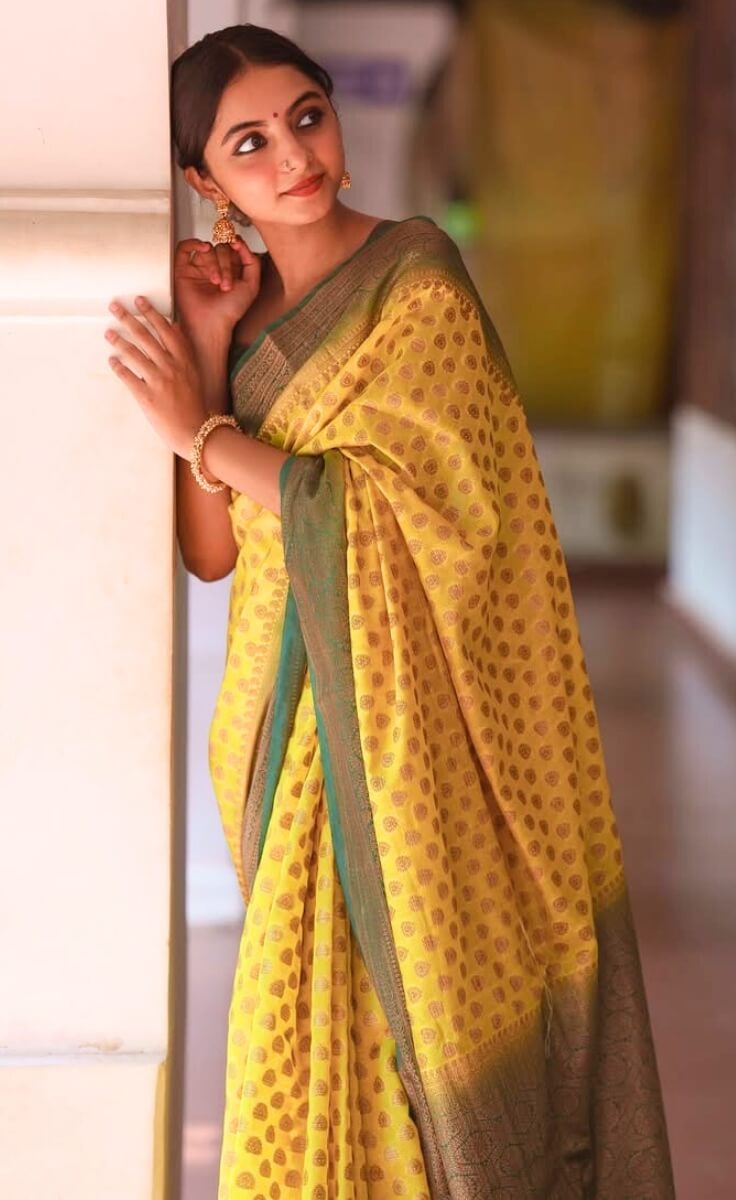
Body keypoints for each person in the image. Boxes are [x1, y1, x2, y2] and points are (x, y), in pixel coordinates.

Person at [104, 23, 675, 1200]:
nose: (294, 158)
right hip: (287, 739)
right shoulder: (248, 322)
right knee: (293, 1025)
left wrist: (198, 434)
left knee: (427, 1012)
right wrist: (208, 354)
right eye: (249, 143)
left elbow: (449, 521)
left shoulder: (416, 282)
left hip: (422, 748)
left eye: (307, 117)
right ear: (207, 182)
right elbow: (214, 554)